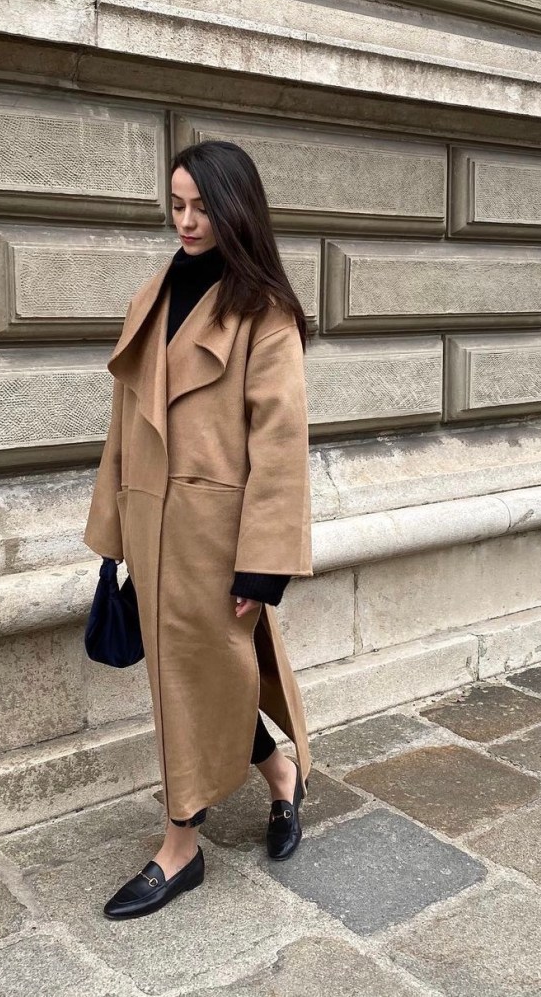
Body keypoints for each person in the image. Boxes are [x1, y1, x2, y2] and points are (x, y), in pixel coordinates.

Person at [83, 140, 314, 920]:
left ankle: (179, 846)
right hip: (152, 525)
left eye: (202, 206)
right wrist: (114, 532)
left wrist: (264, 564)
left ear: (234, 208)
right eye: (177, 204)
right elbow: (123, 424)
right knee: (188, 680)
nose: (186, 220)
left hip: (219, 538)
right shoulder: (152, 297)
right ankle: (278, 773)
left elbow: (280, 445)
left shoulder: (264, 312)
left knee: (205, 676)